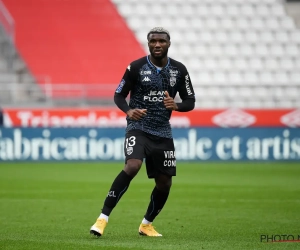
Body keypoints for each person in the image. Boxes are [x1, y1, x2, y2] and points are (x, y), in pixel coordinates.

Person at [90, 27, 195, 237]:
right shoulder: (136, 67)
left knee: (165, 182)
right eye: (153, 41)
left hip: (163, 132)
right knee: (132, 165)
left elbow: (190, 101)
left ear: (169, 44)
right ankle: (102, 219)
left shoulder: (179, 70)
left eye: (161, 41)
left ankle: (146, 224)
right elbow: (119, 95)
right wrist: (129, 111)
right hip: (138, 128)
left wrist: (176, 106)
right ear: (148, 44)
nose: (157, 45)